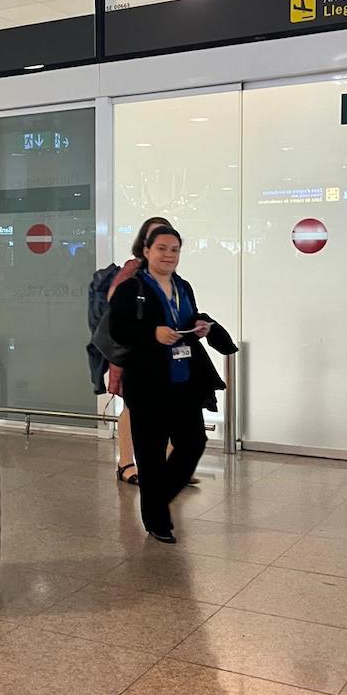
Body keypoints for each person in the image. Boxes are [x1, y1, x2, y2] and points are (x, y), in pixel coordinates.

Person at [108, 226, 230, 544]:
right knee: (151, 454)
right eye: (162, 248)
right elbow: (117, 330)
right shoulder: (131, 288)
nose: (168, 255)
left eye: (174, 249)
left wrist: (199, 325)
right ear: (146, 251)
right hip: (147, 384)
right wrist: (152, 333)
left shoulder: (183, 286)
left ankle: (156, 498)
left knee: (193, 442)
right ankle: (157, 521)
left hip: (183, 381)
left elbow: (186, 317)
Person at [108, 216, 172, 486]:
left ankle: (169, 463)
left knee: (168, 406)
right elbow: (114, 303)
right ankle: (126, 462)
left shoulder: (170, 275)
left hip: (164, 353)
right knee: (131, 407)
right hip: (134, 351)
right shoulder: (133, 271)